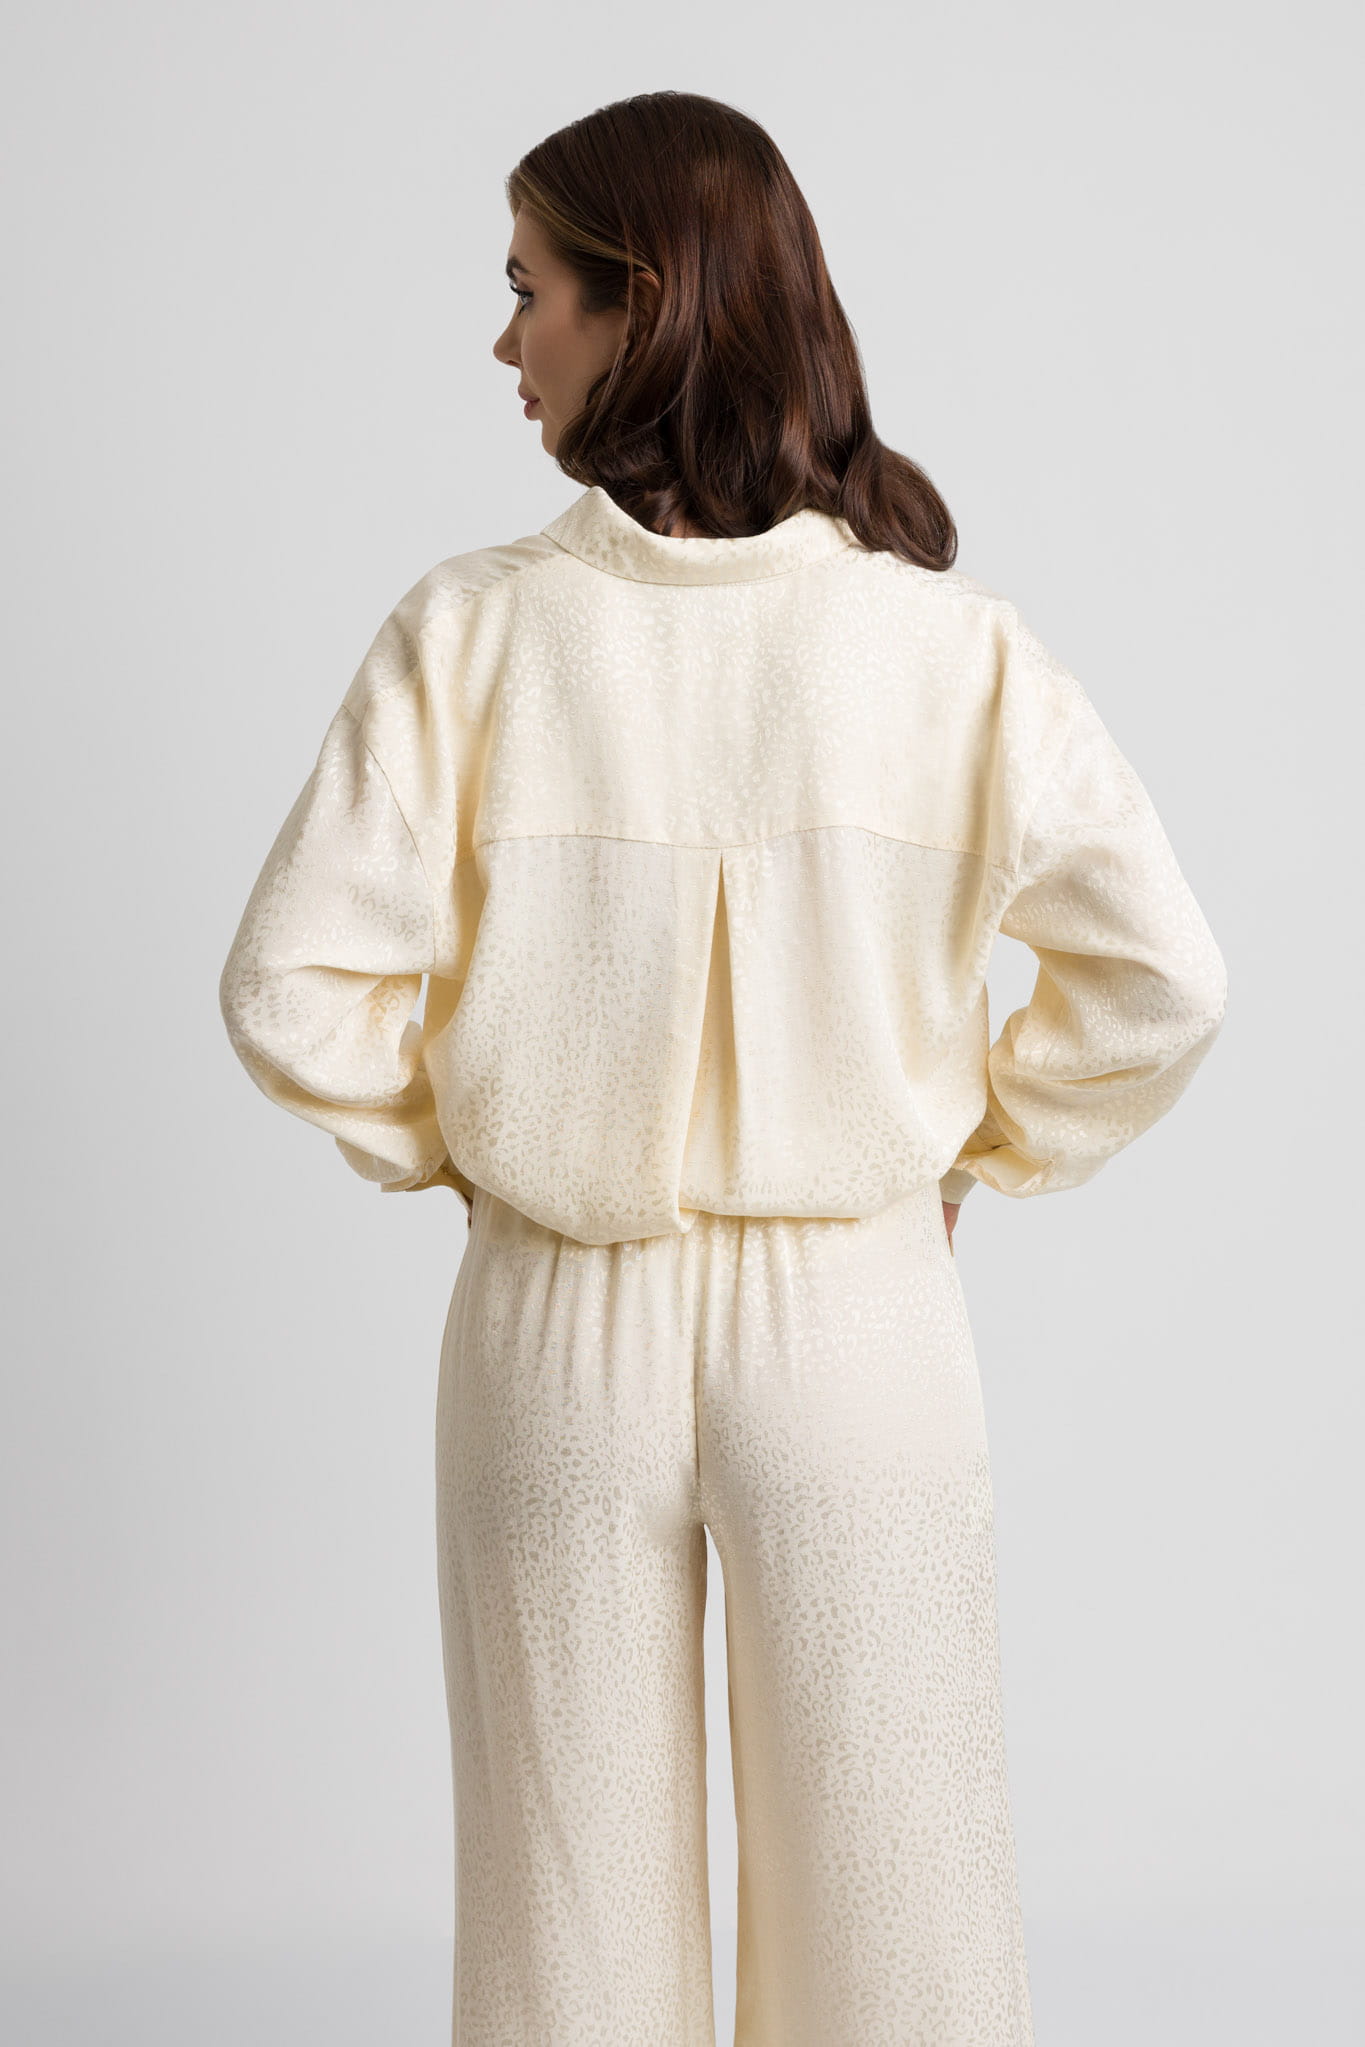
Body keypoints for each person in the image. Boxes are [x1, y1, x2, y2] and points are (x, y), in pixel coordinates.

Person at [218, 90, 1227, 2047]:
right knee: (898, 1914)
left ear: (645, 305)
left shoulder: (471, 637)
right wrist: (977, 1149)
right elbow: (1159, 979)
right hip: (858, 1320)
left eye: (530, 290)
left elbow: (289, 986)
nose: (503, 339)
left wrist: (474, 1138)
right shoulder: (945, 650)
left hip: (551, 1324)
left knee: (563, 1924)